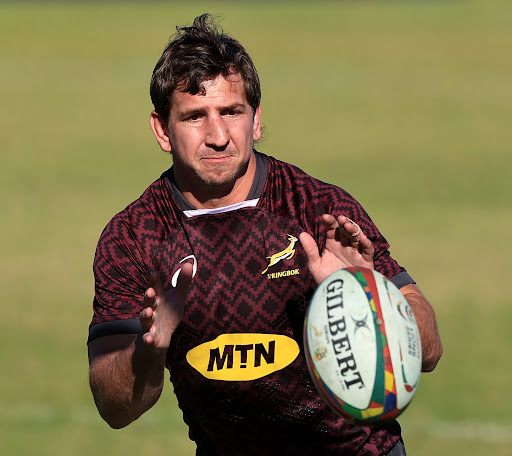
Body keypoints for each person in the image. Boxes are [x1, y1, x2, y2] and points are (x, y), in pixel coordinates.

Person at [87, 14, 442, 456]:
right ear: (162, 129)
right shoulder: (135, 236)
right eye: (195, 117)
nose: (218, 136)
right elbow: (115, 408)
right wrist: (149, 346)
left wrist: (371, 292)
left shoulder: (318, 211)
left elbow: (427, 352)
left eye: (231, 112)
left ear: (255, 121)